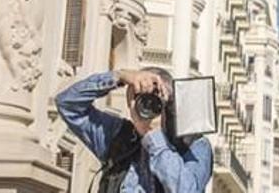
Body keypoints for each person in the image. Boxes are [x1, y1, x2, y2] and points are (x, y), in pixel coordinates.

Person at [55, 67, 213, 193]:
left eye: (157, 96)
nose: (149, 104)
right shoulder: (119, 135)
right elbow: (67, 104)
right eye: (141, 98)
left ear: (171, 102)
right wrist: (119, 76)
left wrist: (154, 137)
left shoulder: (192, 144)